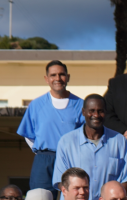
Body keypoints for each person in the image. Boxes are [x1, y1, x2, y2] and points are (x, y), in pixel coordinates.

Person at [53, 94, 127, 200]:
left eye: (100, 111)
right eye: (92, 111)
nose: (96, 115)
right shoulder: (66, 142)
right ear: (83, 112)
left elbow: (126, 179)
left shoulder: (119, 142)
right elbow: (61, 182)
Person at [17, 60, 84, 191]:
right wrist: (41, 153)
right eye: (53, 75)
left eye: (62, 74)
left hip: (71, 159)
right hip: (44, 160)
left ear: (68, 77)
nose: (57, 78)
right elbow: (28, 135)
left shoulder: (81, 105)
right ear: (46, 79)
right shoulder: (36, 105)